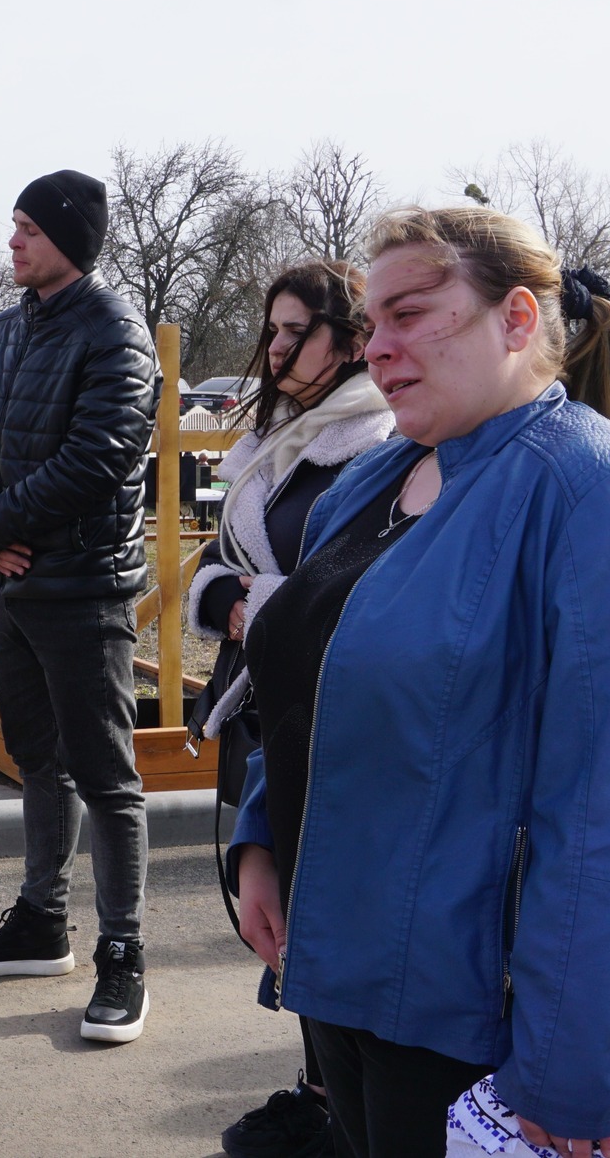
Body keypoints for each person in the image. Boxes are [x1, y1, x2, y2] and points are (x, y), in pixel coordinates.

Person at [230, 206, 610, 1158]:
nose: (380, 347)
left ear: (519, 318)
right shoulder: (373, 480)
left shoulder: (601, 494)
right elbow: (311, 675)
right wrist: (260, 838)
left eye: (412, 313)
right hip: (339, 970)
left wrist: (577, 1069)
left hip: (474, 1019)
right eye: (372, 323)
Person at [0, 169, 160, 1043]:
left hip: (83, 584)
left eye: (28, 227)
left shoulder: (116, 333)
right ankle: (41, 921)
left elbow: (101, 453)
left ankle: (124, 951)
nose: (12, 241)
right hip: (12, 583)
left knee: (106, 774)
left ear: (69, 239)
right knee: (37, 754)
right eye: (15, 224)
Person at [184, 260, 394, 1158]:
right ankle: (318, 1088)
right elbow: (213, 564)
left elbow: (346, 589)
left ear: (349, 341)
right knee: (269, 907)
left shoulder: (374, 436)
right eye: (269, 331)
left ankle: (332, 1101)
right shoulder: (280, 432)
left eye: (293, 331)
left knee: (317, 909)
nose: (273, 349)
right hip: (256, 700)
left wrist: (251, 601)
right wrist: (228, 594)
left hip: (317, 709)